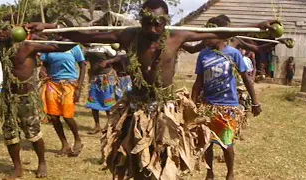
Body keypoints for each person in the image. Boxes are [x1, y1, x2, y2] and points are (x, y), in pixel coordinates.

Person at [26, 1, 273, 179]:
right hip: (136, 109)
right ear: (140, 19)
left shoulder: (177, 36)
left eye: (158, 23)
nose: (153, 28)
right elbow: (87, 34)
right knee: (133, 158)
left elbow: (220, 32)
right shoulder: (128, 35)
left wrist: (257, 26)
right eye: (148, 22)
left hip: (165, 110)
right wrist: (48, 27)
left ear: (166, 21)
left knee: (164, 159)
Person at [0, 23, 74, 179]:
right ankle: (17, 168)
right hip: (8, 99)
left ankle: (42, 162)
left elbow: (64, 46)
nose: (1, 32)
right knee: (10, 135)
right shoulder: (1, 47)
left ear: (14, 31)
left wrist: (52, 26)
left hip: (27, 98)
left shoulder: (28, 46)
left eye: (4, 29)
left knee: (33, 134)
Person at [191, 17, 262, 180]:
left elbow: (246, 79)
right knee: (207, 142)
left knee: (226, 143)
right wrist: (192, 104)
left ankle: (230, 173)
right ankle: (210, 173)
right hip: (208, 106)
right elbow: (198, 82)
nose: (205, 38)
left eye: (209, 34)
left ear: (220, 34)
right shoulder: (203, 54)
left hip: (228, 106)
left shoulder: (234, 53)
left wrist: (255, 102)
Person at [40, 21, 86, 157]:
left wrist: (78, 86)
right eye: (56, 28)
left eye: (62, 28)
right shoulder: (50, 45)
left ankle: (78, 139)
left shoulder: (73, 46)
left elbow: (83, 65)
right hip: (53, 84)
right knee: (53, 117)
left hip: (69, 85)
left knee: (67, 115)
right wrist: (42, 71)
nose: (58, 31)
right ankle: (64, 144)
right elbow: (44, 64)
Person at [85, 45, 123, 134]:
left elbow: (118, 57)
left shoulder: (105, 47)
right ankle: (97, 125)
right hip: (94, 77)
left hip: (105, 77)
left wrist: (108, 61)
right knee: (93, 100)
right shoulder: (87, 48)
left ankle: (109, 125)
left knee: (107, 101)